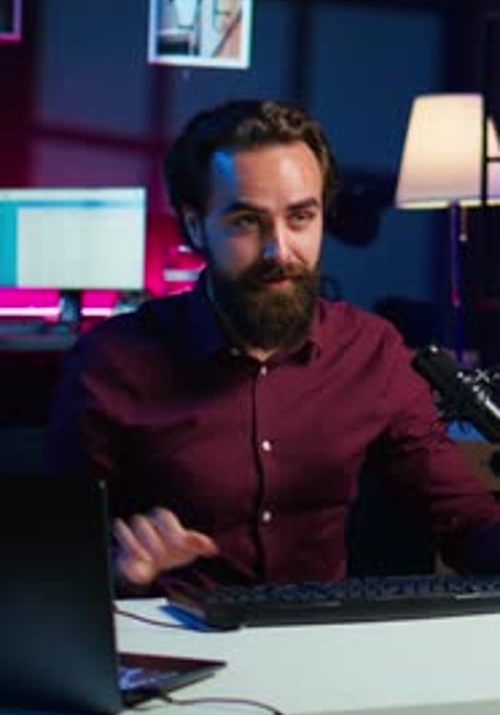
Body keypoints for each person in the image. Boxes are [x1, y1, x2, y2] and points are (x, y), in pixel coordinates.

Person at [46, 99, 500, 594]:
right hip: (167, 633)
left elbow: (464, 519)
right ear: (195, 226)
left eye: (300, 217)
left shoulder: (371, 350)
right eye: (246, 221)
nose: (279, 251)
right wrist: (117, 569)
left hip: (320, 634)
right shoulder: (111, 363)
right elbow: (53, 563)